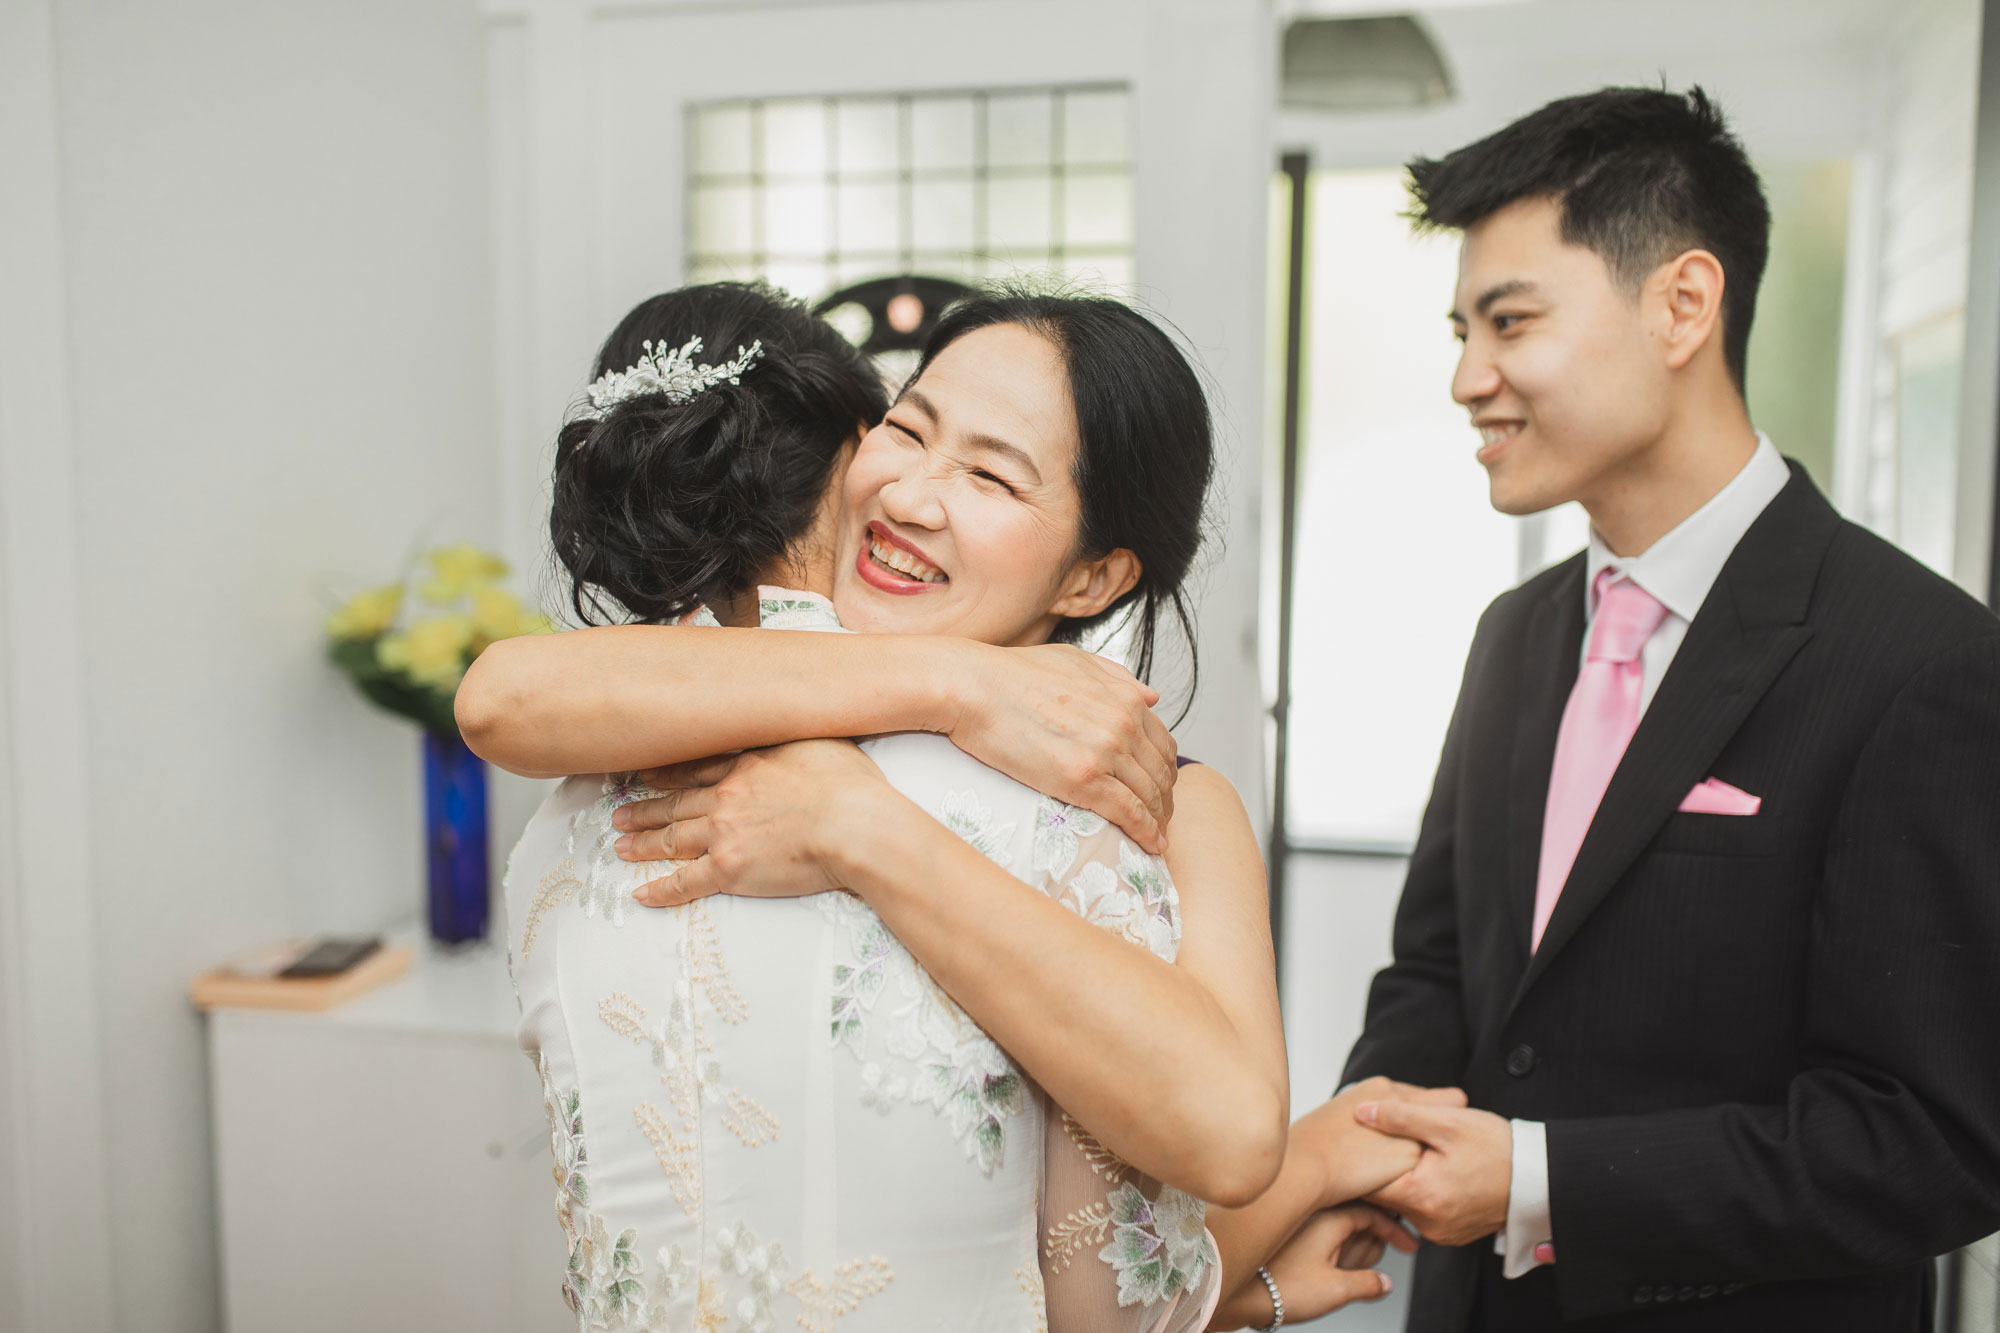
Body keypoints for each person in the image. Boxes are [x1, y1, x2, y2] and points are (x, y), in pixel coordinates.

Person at [467, 282, 1414, 1331]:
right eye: (908, 428)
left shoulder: (599, 776)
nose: (912, 494)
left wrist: (858, 823)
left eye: (989, 475)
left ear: (1095, 575)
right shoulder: (1071, 820)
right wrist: (1289, 1213)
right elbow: (1104, 1305)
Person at [1321, 86, 2000, 1331]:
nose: (1468, 378)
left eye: (1509, 321)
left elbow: (1928, 1138)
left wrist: (1534, 1179)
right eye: (1459, 329)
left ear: (1682, 304)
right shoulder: (1513, 637)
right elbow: (1437, 973)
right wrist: (1366, 1133)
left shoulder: (1918, 660)